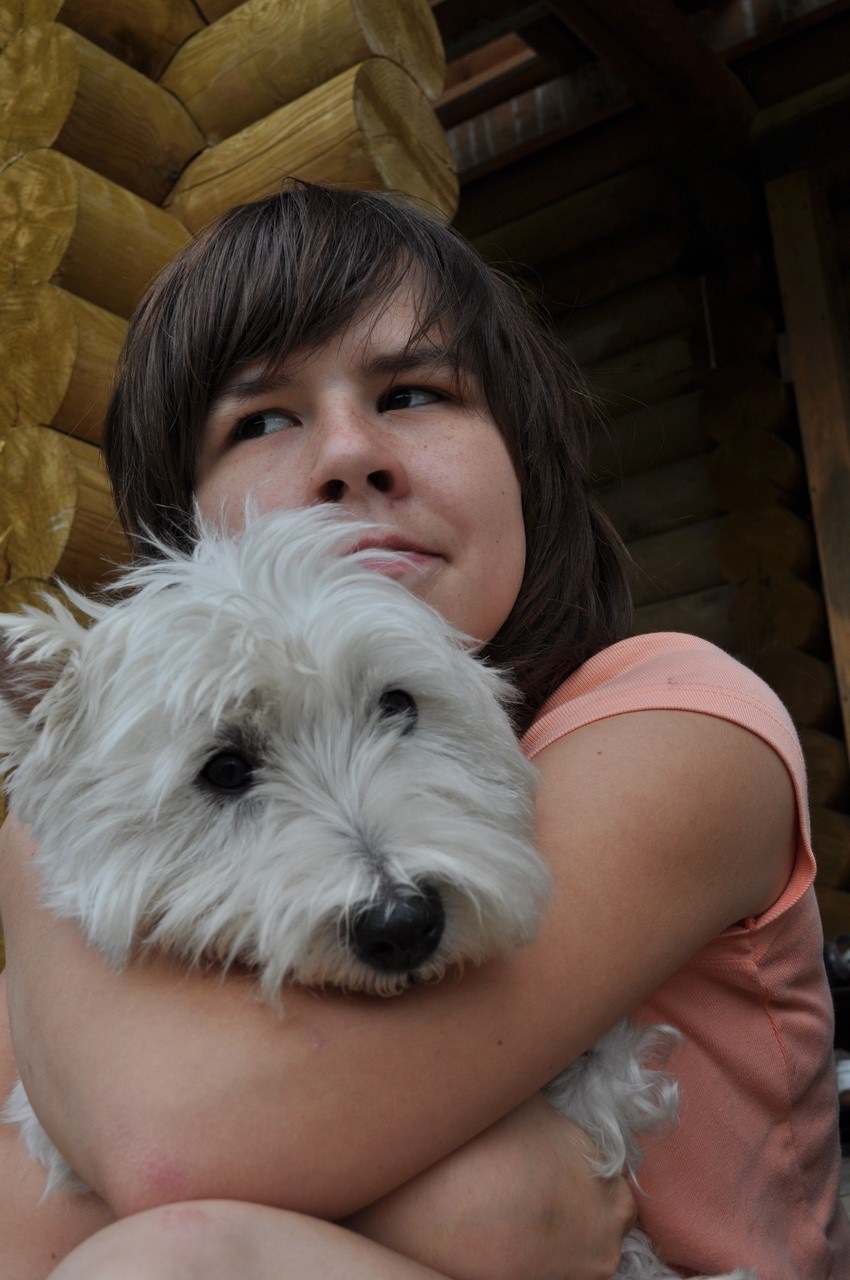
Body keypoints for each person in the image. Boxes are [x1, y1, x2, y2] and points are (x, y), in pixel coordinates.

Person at [0, 181, 846, 1280]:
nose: (351, 454)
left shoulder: (681, 723)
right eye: (262, 420)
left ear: (522, 453)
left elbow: (170, 1147)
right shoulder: (112, 795)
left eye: (413, 393)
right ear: (180, 532)